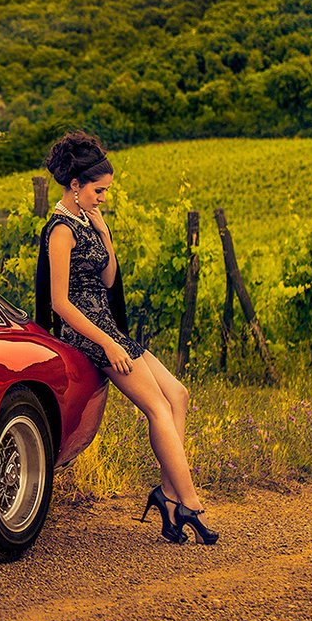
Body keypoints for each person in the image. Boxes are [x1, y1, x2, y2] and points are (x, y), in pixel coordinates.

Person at [34, 130, 218, 544]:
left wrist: (105, 235)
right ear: (75, 186)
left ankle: (167, 496)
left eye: (106, 192)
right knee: (156, 406)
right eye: (98, 191)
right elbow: (60, 303)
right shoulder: (60, 230)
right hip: (88, 333)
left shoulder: (85, 222)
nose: (103, 198)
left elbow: (108, 278)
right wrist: (108, 344)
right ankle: (188, 500)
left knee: (179, 396)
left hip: (109, 327)